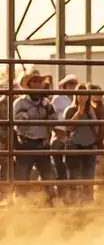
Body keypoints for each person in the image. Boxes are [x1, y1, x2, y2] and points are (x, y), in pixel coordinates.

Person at [12, 69, 57, 203]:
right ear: (29, 84)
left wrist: (49, 110)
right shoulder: (19, 103)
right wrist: (35, 111)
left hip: (41, 143)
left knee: (48, 175)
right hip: (24, 144)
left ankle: (52, 202)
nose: (39, 84)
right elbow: (20, 124)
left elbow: (54, 122)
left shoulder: (47, 103)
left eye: (40, 81)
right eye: (35, 81)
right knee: (22, 176)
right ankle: (20, 204)